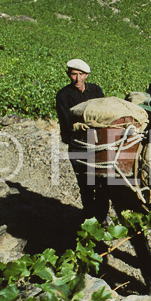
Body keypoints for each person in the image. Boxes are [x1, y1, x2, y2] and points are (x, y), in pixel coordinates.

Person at [55, 58, 110, 224]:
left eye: (81, 74)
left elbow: (104, 111)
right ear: (69, 75)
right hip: (78, 144)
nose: (77, 79)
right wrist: (82, 127)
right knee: (86, 184)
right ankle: (89, 217)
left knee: (104, 182)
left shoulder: (95, 90)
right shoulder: (64, 96)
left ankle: (102, 216)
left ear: (86, 75)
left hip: (98, 144)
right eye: (73, 74)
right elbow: (67, 121)